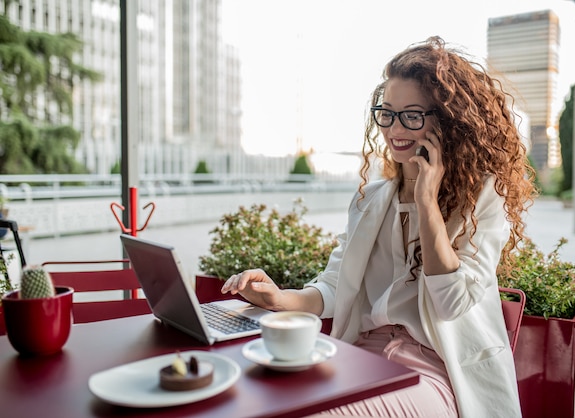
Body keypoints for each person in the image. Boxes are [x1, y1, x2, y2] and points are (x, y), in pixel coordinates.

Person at [222, 36, 536, 417]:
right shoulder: (370, 199)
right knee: (260, 399)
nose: (394, 128)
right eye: (386, 113)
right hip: (358, 358)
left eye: (412, 115)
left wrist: (426, 201)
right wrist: (279, 299)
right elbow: (336, 287)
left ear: (448, 124)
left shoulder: (482, 197)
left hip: (436, 370)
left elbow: (451, 303)